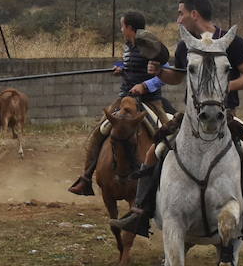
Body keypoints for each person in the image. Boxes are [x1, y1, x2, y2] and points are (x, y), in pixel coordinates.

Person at [110, 0, 243, 241]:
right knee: (152, 153)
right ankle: (140, 212)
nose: (178, 20)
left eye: (180, 13)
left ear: (194, 14)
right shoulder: (185, 45)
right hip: (190, 118)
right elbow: (176, 77)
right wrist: (160, 71)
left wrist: (224, 90)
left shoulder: (231, 42)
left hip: (226, 117)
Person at [67, 12, 170, 196]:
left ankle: (167, 180)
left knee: (167, 135)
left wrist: (145, 85)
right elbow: (130, 64)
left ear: (130, 27)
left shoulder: (151, 46)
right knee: (98, 132)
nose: (121, 30)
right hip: (124, 99)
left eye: (122, 26)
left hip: (149, 101)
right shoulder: (128, 46)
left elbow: (166, 73)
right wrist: (120, 66)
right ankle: (86, 178)